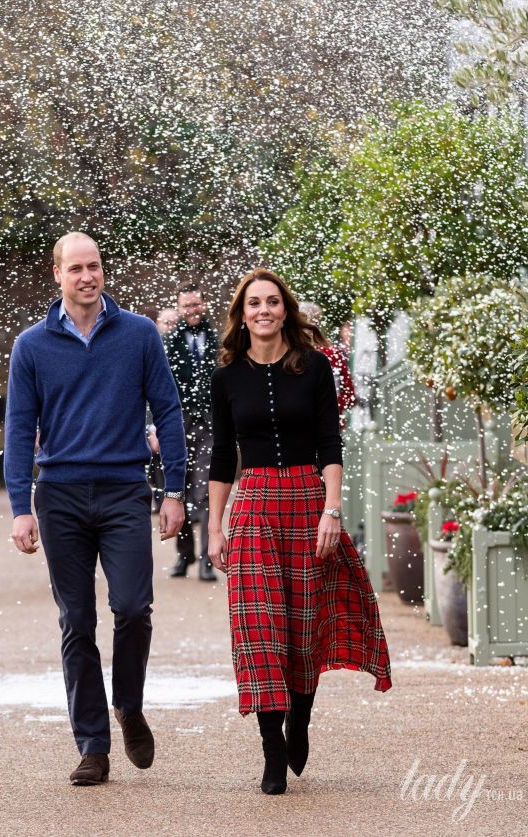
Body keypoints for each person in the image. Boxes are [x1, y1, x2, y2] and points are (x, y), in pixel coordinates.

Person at [4, 232, 187, 786]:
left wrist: (174, 490)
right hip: (58, 496)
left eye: (96, 266)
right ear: (56, 275)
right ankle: (92, 744)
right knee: (76, 619)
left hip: (124, 490)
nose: (88, 276)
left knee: (133, 608)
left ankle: (127, 705)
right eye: (76, 268)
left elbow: (170, 409)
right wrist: (20, 505)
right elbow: (17, 427)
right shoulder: (31, 346)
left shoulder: (138, 336)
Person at [208, 268, 392, 796]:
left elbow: (329, 446)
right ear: (241, 315)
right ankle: (270, 747)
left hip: (308, 502)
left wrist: (332, 509)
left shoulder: (313, 368)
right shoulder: (225, 377)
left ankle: (301, 721)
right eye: (253, 304)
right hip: (255, 507)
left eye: (271, 302)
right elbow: (223, 457)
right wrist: (216, 528)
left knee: (305, 626)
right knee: (260, 628)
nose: (263, 311)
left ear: (284, 309)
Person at [164, 281, 218, 581]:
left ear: (204, 305)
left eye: (196, 305)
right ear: (179, 308)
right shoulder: (169, 342)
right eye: (186, 306)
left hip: (211, 423)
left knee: (207, 490)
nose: (192, 311)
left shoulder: (219, 341)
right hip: (177, 423)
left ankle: (207, 558)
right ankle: (183, 555)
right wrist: (154, 427)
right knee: (178, 488)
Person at [298, 301, 356, 430]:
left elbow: (349, 393)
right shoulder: (332, 353)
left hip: (304, 427)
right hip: (331, 424)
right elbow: (349, 395)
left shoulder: (291, 353)